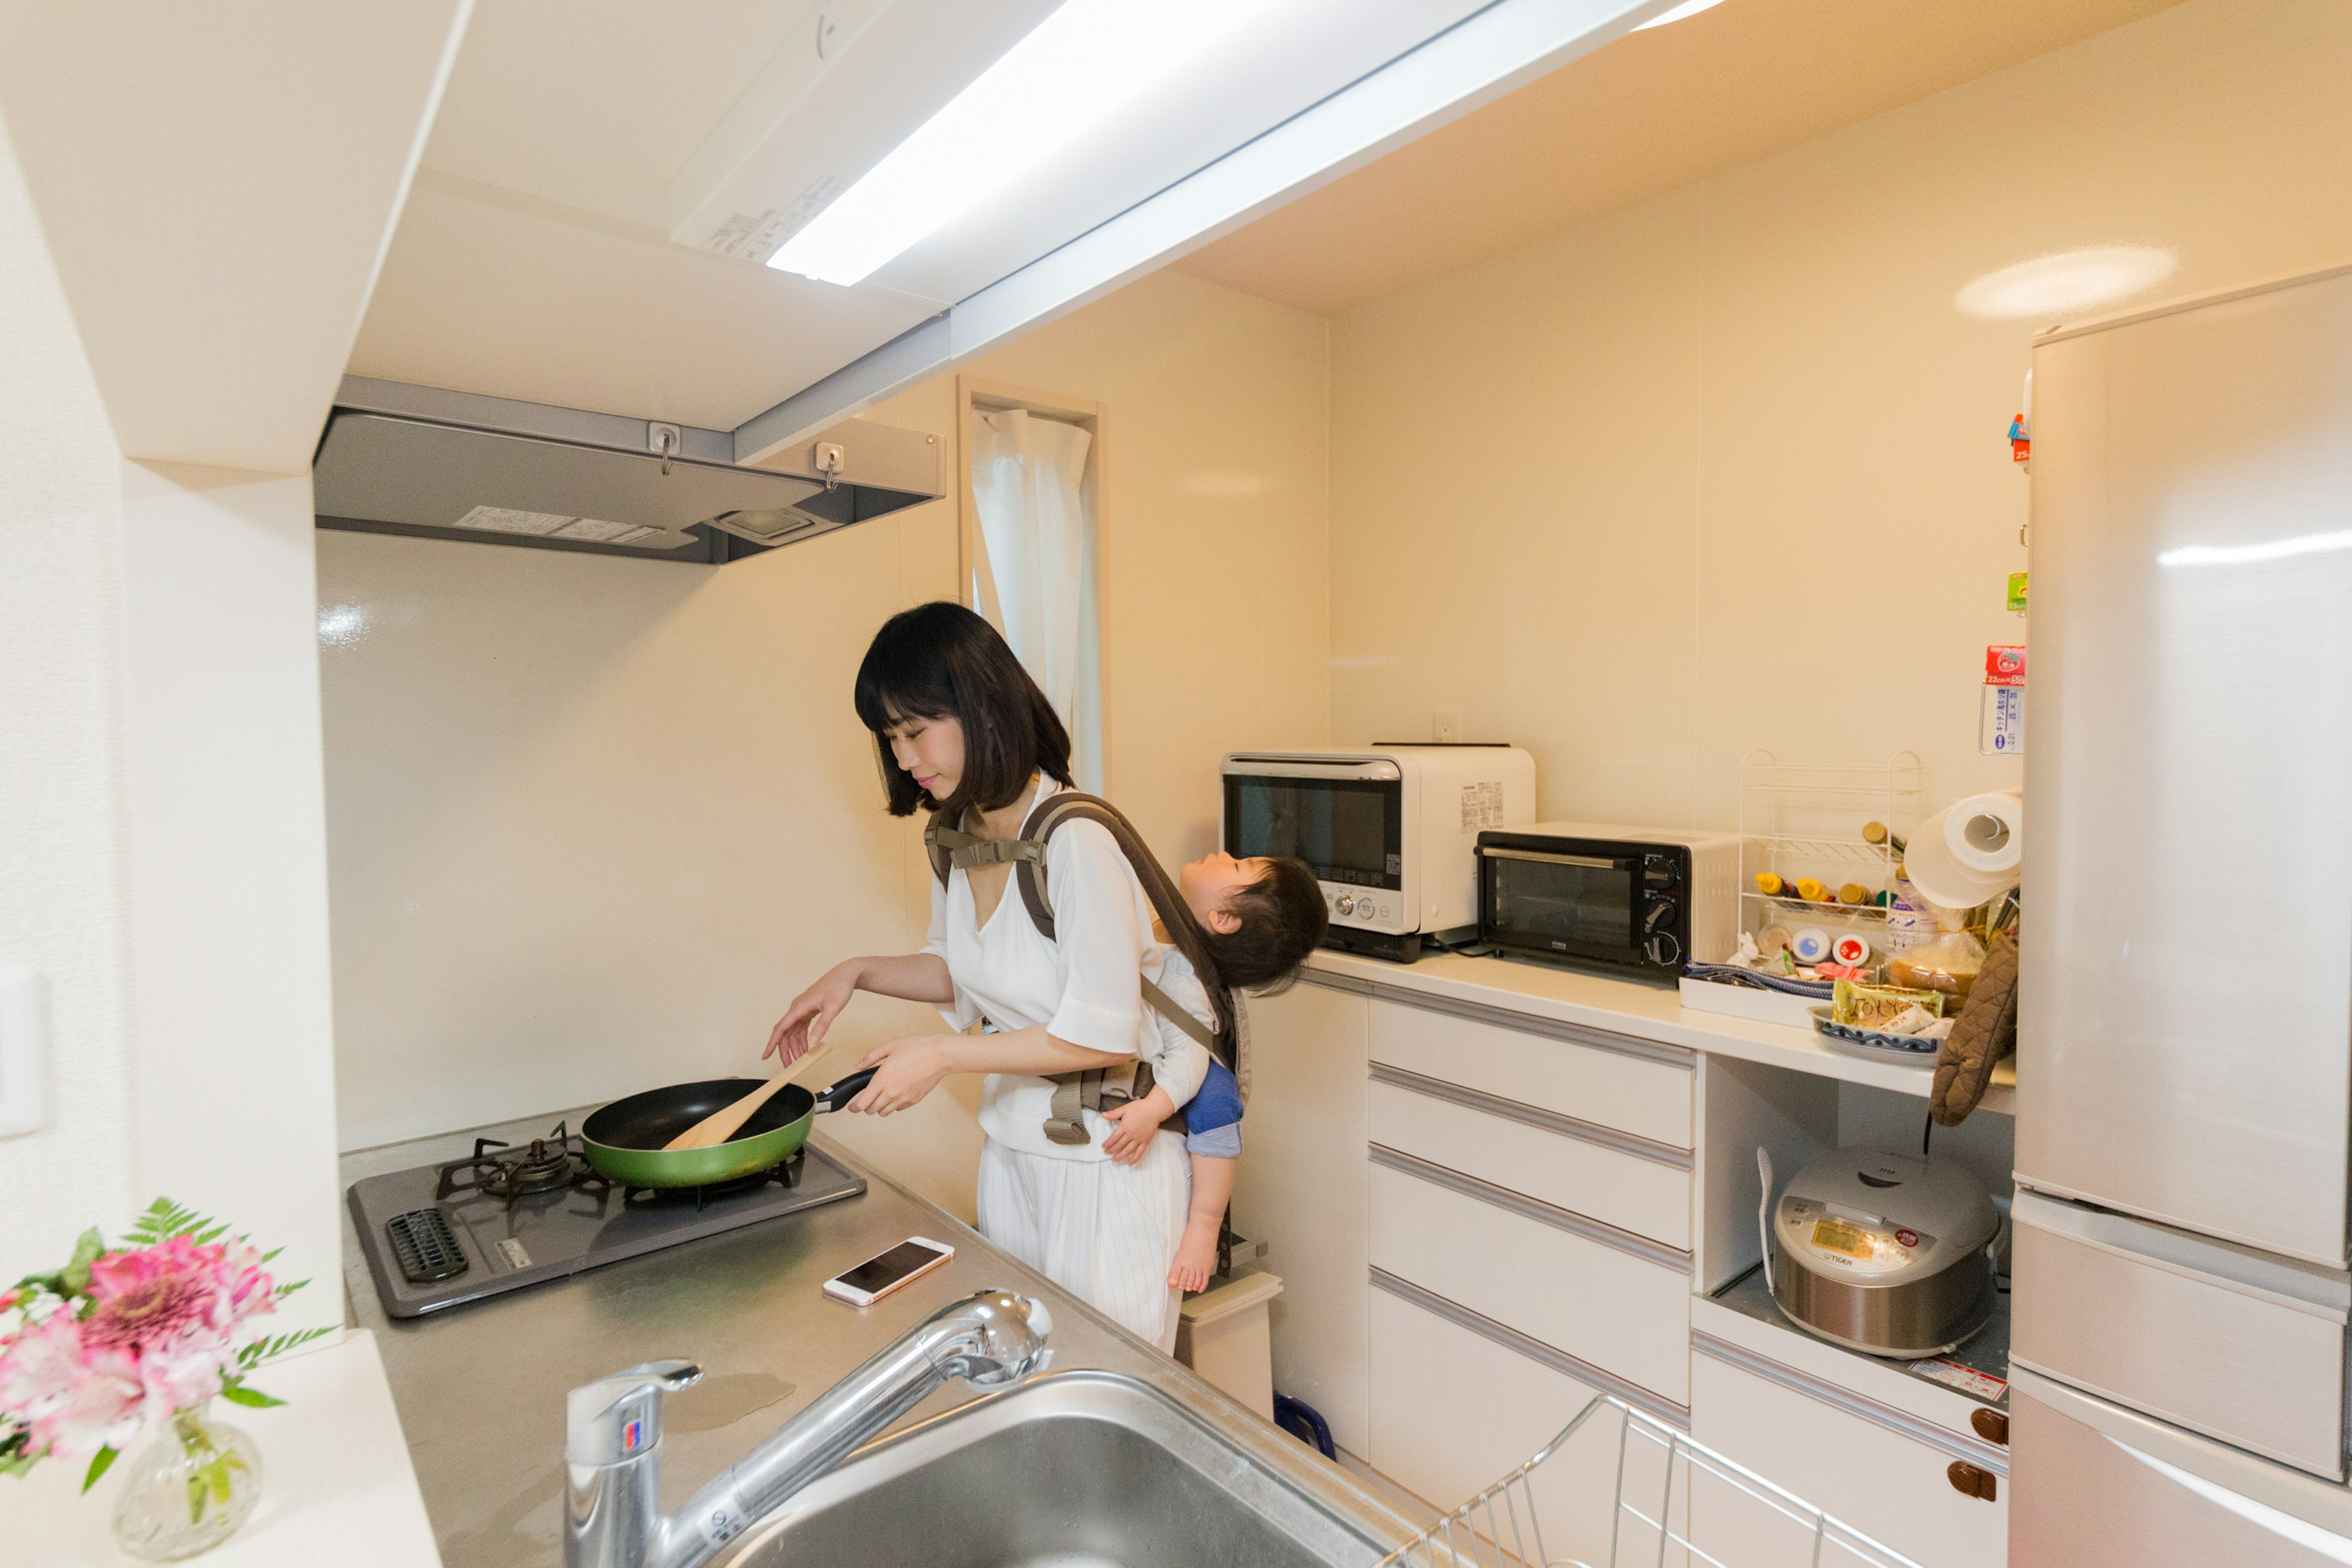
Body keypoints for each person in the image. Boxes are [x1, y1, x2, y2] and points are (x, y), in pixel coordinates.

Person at [766, 602, 1202, 1348]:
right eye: (890, 739)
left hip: (1106, 1168)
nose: (905, 758)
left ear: (980, 708)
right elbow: (966, 974)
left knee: (1099, 1401)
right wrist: (856, 972)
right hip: (1013, 1156)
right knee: (1022, 1388)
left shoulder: (1076, 840)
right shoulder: (955, 836)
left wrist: (939, 1055)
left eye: (915, 731)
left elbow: (1099, 1032)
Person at [1098, 851, 1326, 1291]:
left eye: (1238, 866)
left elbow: (1189, 1060)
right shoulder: (1159, 922)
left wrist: (1151, 1110)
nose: (1223, 853)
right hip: (1155, 1049)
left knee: (1216, 1100)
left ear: (1223, 918)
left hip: (1190, 1071)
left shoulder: (1184, 976)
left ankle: (1205, 1227)